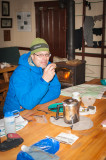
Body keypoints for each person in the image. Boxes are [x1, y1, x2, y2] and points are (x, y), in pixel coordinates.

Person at [3, 38, 61, 113]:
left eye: (47, 55)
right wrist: (44, 80)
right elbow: (27, 104)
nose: (44, 59)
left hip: (36, 108)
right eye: (40, 55)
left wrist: (35, 101)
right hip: (16, 114)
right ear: (32, 56)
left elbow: (56, 91)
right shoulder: (20, 73)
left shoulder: (47, 66)